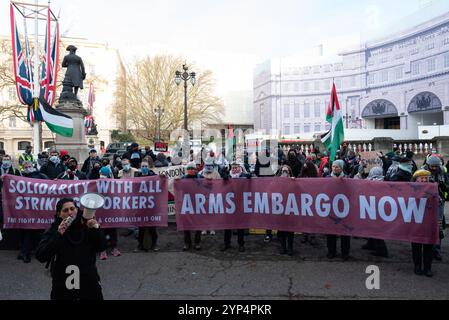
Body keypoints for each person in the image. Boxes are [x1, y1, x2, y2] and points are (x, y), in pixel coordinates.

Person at [36, 198, 106, 300]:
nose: (70, 212)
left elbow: (101, 247)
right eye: (65, 210)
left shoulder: (86, 225)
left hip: (88, 282)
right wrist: (58, 234)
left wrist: (95, 229)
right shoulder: (55, 229)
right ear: (59, 214)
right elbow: (41, 256)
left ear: (77, 210)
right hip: (63, 285)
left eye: (72, 208)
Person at [16, 161, 48, 263]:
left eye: (29, 166)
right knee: (26, 231)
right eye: (26, 167)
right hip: (25, 209)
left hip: (39, 208)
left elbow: (50, 185)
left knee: (38, 232)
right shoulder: (19, 176)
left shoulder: (40, 175)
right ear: (23, 168)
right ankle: (25, 253)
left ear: (33, 166)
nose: (28, 168)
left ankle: (30, 252)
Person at [422, 155, 448, 261]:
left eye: (435, 167)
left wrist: (443, 186)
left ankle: (436, 250)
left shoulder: (442, 171)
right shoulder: (422, 172)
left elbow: (447, 184)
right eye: (431, 166)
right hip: (426, 202)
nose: (433, 169)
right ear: (428, 165)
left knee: (438, 225)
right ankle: (427, 249)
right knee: (426, 225)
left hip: (439, 201)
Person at [221, 161, 251, 252]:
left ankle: (241, 244)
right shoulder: (228, 176)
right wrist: (223, 174)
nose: (234, 169)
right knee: (227, 226)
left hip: (240, 204)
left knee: (240, 226)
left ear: (240, 168)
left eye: (236, 167)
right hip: (229, 204)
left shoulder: (243, 176)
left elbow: (252, 180)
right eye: (233, 167)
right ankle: (227, 243)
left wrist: (249, 177)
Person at [411, 170, 436, 277]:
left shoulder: (433, 188)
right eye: (422, 178)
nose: (424, 180)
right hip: (415, 222)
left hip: (428, 222)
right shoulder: (410, 188)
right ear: (417, 179)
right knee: (416, 245)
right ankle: (417, 266)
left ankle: (427, 268)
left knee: (428, 246)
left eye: (426, 178)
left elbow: (439, 202)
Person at [361, 166, 389, 258]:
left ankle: (381, 250)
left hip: (375, 207)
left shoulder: (374, 182)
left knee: (376, 229)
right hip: (375, 207)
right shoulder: (383, 182)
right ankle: (371, 243)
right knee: (373, 228)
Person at [326, 159, 351, 260]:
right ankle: (331, 251)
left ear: (341, 168)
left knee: (345, 232)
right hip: (331, 208)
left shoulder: (347, 178)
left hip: (344, 208)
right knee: (330, 231)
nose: (335, 168)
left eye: (337, 167)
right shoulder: (327, 178)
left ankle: (345, 252)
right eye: (333, 166)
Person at [134, 160, 160, 252]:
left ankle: (154, 244)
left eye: (146, 166)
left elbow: (160, 183)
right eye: (142, 166)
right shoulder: (137, 176)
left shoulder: (153, 176)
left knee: (152, 226)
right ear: (140, 167)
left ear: (148, 167)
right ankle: (140, 244)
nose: (144, 168)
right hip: (141, 204)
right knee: (141, 226)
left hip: (151, 204)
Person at [182, 162, 204, 251]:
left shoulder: (200, 178)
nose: (191, 170)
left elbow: (209, 185)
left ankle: (197, 243)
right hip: (187, 203)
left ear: (195, 169)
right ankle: (187, 243)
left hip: (197, 203)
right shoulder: (183, 178)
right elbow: (177, 187)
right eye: (189, 169)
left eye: (192, 168)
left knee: (198, 224)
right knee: (186, 224)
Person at [276, 165, 295, 256]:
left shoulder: (293, 180)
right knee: (281, 230)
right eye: (283, 171)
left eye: (286, 171)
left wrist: (294, 182)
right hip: (280, 209)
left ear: (289, 172)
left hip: (290, 209)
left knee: (290, 230)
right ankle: (283, 247)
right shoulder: (276, 181)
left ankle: (290, 247)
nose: (285, 172)